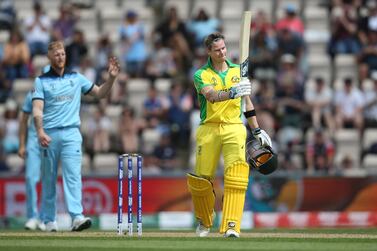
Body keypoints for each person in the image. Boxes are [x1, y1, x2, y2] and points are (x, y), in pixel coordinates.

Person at [187, 32, 271, 238]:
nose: (222, 52)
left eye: (223, 48)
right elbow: (211, 96)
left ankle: (232, 225)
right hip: (209, 127)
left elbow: (247, 103)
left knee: (236, 175)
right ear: (208, 51)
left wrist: (257, 129)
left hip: (234, 127)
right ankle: (205, 222)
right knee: (202, 179)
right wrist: (232, 92)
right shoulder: (201, 74)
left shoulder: (238, 71)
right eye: (217, 50)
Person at [32, 41, 120, 232]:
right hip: (50, 135)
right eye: (56, 54)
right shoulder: (41, 81)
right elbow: (37, 109)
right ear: (49, 57)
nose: (60, 57)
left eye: (63, 54)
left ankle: (77, 217)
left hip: (72, 133)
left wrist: (111, 79)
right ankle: (49, 220)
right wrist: (40, 131)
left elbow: (100, 94)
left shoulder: (76, 78)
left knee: (73, 177)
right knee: (48, 179)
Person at [18, 91, 45, 231]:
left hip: (51, 140)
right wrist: (22, 144)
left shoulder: (60, 90)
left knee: (49, 180)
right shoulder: (32, 95)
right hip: (34, 142)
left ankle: (46, 217)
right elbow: (23, 120)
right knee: (30, 178)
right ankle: (32, 217)